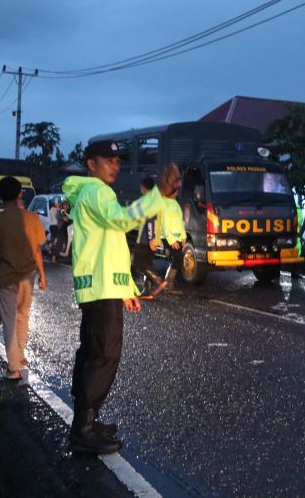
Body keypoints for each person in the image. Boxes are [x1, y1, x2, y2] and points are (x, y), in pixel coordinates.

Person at [62, 141, 178, 455]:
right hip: (101, 290)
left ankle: (86, 420)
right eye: (108, 160)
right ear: (91, 164)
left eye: (117, 160)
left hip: (100, 287)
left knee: (93, 351)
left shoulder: (89, 194)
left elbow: (110, 248)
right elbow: (122, 221)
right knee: (104, 355)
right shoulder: (98, 193)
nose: (115, 165)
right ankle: (83, 429)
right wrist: (159, 196)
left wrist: (125, 288)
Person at [0, 176, 47, 381]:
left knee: (9, 320)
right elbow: (37, 250)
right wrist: (42, 274)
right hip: (28, 275)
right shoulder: (33, 218)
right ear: (20, 194)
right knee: (23, 315)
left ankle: (14, 367)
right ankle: (19, 357)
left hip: (5, 275)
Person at [148, 178, 186, 298]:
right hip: (169, 237)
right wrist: (171, 240)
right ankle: (167, 283)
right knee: (178, 257)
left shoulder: (175, 204)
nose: (178, 193)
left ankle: (168, 284)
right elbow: (164, 224)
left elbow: (180, 221)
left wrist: (183, 235)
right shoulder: (164, 204)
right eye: (176, 191)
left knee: (176, 258)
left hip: (177, 237)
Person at [132, 177, 163, 296]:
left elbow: (150, 221)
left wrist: (150, 238)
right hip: (154, 238)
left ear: (145, 188)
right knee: (148, 263)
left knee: (137, 262)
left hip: (146, 239)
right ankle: (147, 289)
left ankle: (156, 278)